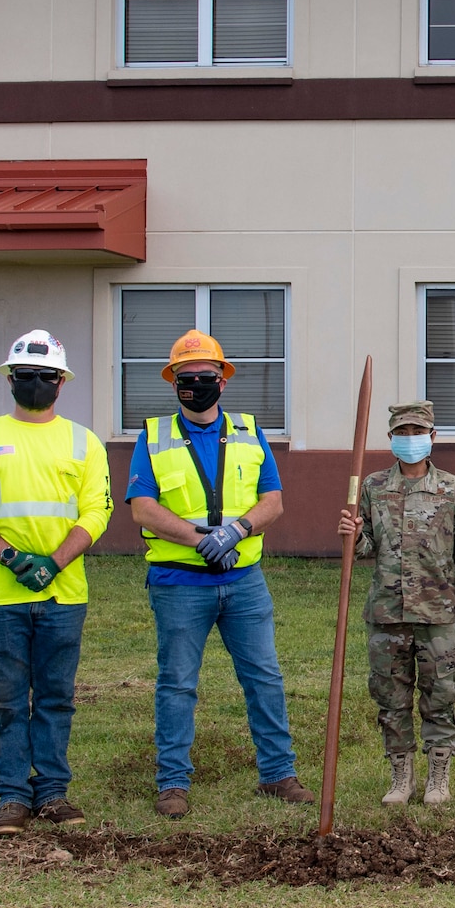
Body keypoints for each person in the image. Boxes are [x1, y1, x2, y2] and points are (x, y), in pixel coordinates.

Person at [126, 330, 312, 819]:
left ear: (223, 381)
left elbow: (273, 501)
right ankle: (172, 784)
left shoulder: (251, 432)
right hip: (179, 582)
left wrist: (236, 532)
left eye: (206, 377)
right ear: (173, 383)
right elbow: (142, 509)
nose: (196, 385)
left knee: (264, 677)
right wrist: (200, 540)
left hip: (244, 581)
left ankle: (278, 774)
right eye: (186, 378)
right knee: (178, 683)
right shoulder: (154, 435)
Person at [0, 330, 112, 837]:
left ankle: (53, 792)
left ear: (60, 383)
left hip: (63, 594)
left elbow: (97, 510)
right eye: (25, 376)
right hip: (0, 594)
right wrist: (13, 558)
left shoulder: (84, 441)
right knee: (7, 699)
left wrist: (54, 563)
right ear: (9, 380)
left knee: (57, 696)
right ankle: (12, 797)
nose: (34, 383)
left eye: (43, 376)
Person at [338, 401, 455, 807]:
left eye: (417, 433)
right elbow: (366, 547)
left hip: (439, 611)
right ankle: (401, 774)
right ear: (390, 439)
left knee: (441, 693)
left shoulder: (452, 489)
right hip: (387, 611)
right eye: (401, 433)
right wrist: (352, 536)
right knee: (391, 696)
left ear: (432, 437)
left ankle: (439, 773)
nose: (409, 440)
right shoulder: (372, 486)